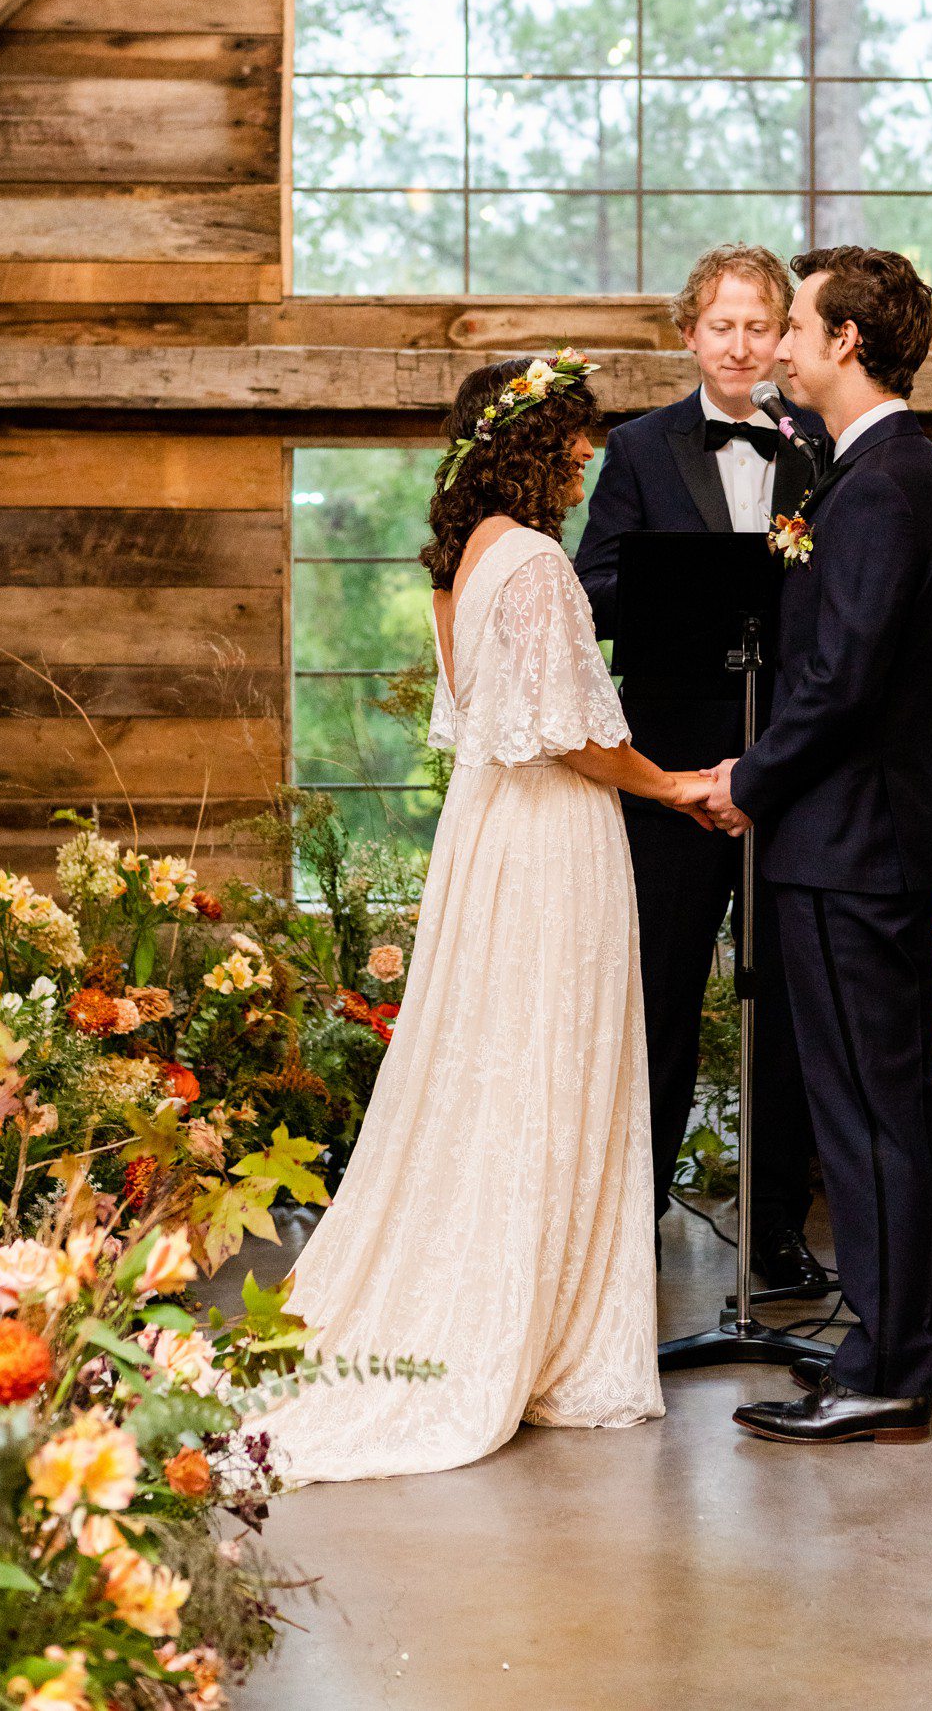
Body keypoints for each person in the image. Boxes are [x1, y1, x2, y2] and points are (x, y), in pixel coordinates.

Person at [264, 350, 712, 1484]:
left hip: (486, 840)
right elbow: (569, 733)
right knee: (550, 1064)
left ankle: (517, 1301)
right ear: (523, 444)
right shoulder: (540, 567)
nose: (585, 452)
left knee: (496, 1065)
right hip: (552, 840)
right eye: (570, 433)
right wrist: (671, 785)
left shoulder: (459, 566)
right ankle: (540, 1339)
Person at [704, 247, 932, 1447]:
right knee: (886, 1110)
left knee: (868, 1116)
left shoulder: (881, 487)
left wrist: (750, 782)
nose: (782, 345)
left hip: (848, 844)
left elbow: (843, 682)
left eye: (800, 323)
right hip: (865, 837)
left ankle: (892, 1367)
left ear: (847, 341)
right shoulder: (886, 475)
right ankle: (892, 1347)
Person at [575, 245, 827, 1295]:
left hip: (789, 768)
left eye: (759, 326)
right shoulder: (636, 450)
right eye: (719, 326)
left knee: (787, 1008)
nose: (739, 344)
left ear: (784, 339)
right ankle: (633, 1219)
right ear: (690, 336)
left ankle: (775, 1230)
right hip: (670, 774)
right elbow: (590, 591)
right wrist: (684, 589)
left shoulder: (818, 447)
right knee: (661, 998)